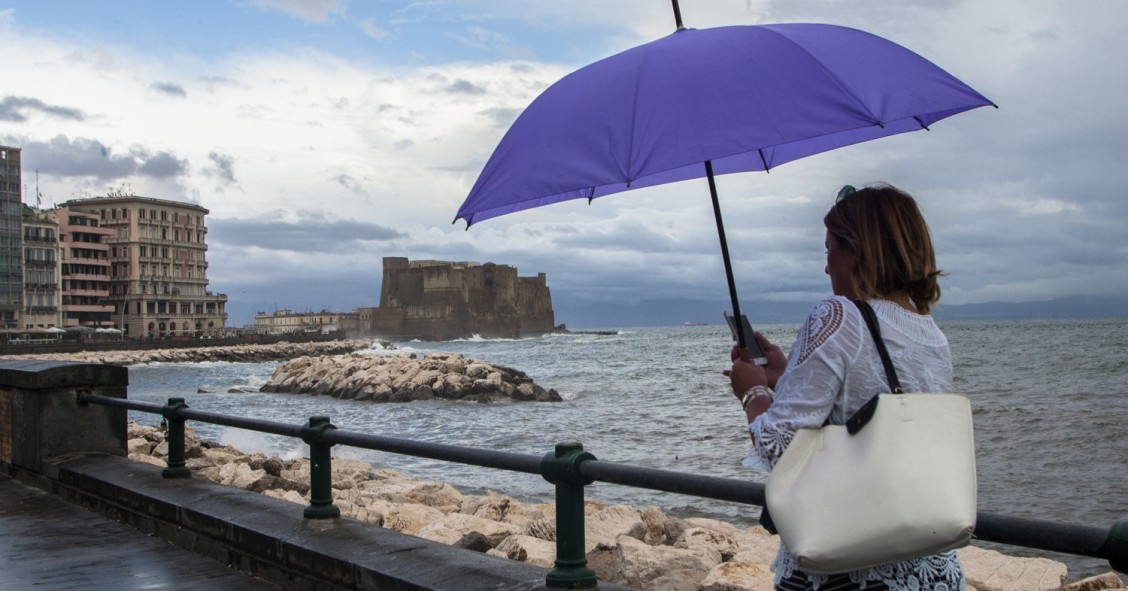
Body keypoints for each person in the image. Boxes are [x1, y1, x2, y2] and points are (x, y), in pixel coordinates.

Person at [725, 184, 965, 591]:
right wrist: (784, 378)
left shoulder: (837, 314)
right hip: (932, 567)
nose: (826, 266)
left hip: (850, 570)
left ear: (857, 250)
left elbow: (780, 447)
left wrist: (753, 392)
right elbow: (866, 404)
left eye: (829, 250)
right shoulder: (929, 332)